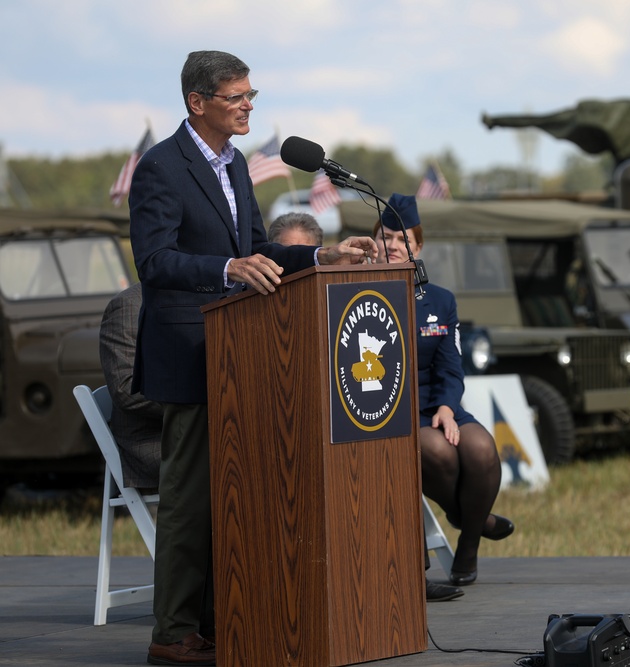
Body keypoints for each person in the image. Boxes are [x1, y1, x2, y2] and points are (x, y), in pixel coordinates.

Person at [129, 50, 378, 666]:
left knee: (238, 493)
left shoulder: (237, 165)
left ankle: (224, 618)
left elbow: (261, 250)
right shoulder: (161, 167)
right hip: (190, 353)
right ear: (198, 103)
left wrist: (324, 259)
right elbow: (154, 262)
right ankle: (173, 631)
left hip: (243, 354)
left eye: (251, 95)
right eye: (236, 96)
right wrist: (225, 268)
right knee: (191, 497)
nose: (248, 105)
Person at [268, 209, 464, 603]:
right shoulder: (249, 304)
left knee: (388, 451)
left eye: (305, 255)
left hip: (347, 415)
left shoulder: (343, 294)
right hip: (286, 425)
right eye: (286, 255)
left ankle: (406, 576)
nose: (294, 265)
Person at [373, 193, 514, 588]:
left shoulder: (439, 301)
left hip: (436, 403)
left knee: (481, 449)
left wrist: (448, 408)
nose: (393, 246)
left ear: (418, 248)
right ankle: (474, 516)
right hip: (389, 410)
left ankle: (468, 546)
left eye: (403, 240)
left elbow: (451, 366)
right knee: (437, 452)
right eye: (386, 236)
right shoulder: (353, 290)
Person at [98, 282, 162, 491]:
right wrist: (204, 402)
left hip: (198, 432)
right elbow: (126, 390)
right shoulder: (129, 305)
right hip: (153, 441)